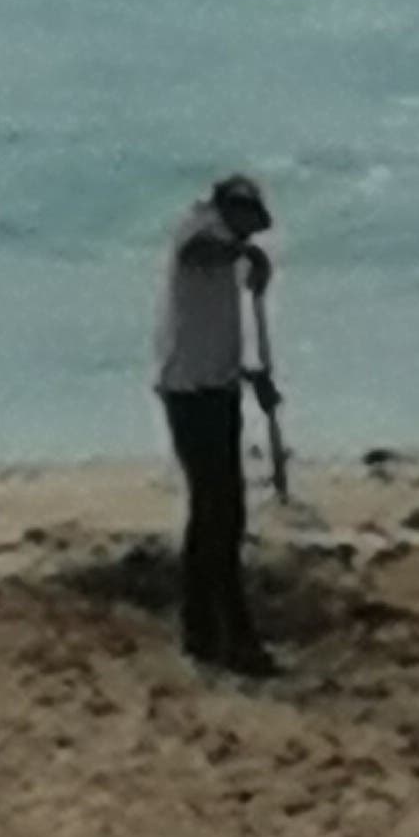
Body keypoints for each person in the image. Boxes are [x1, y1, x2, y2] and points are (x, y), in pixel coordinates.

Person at [152, 173, 280, 675]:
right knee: (218, 515)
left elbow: (212, 329)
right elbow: (199, 254)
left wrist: (252, 378)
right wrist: (246, 258)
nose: (252, 237)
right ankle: (229, 636)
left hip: (217, 388)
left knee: (217, 514)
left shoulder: (227, 241)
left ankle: (204, 631)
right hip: (191, 395)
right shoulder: (198, 229)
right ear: (231, 210)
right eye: (249, 226)